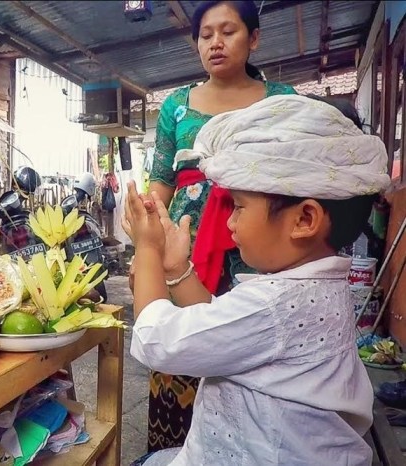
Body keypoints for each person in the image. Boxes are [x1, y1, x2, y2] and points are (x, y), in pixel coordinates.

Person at [124, 94, 390, 465]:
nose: (229, 221)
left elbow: (157, 341)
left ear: (305, 220)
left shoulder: (277, 304)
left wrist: (147, 249)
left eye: (239, 205)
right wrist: (175, 269)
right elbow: (222, 323)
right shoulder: (315, 289)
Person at [138, 0, 296, 452]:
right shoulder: (176, 105)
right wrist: (148, 247)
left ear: (255, 38)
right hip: (185, 243)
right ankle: (174, 450)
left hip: (256, 246)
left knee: (246, 354)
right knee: (179, 343)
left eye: (228, 31)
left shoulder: (282, 100)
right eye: (206, 35)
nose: (216, 43)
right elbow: (162, 179)